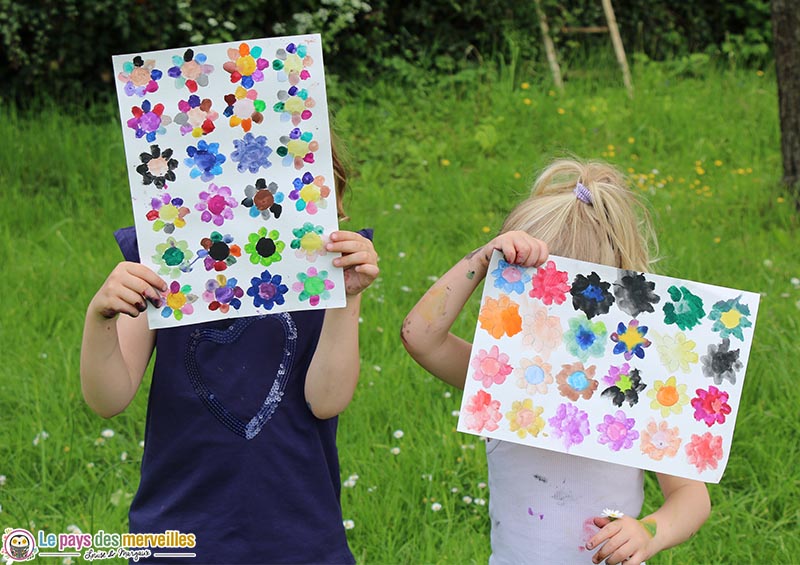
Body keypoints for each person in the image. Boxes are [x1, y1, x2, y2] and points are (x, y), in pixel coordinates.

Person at [80, 141, 378, 564]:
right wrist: (101, 317)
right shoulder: (163, 266)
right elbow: (107, 398)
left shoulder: (327, 273)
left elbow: (326, 400)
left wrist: (345, 300)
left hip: (301, 534)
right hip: (176, 533)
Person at [401, 158, 710, 565]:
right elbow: (420, 336)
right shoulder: (502, 375)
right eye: (517, 290)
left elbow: (691, 496)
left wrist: (649, 533)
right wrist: (481, 259)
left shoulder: (638, 387)